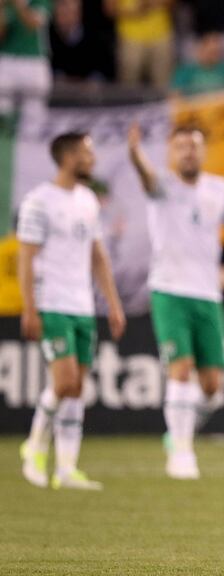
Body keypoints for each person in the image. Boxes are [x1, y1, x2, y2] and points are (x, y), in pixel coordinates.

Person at [127, 123, 224, 480]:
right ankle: (181, 452)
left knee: (213, 387)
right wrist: (135, 153)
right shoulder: (162, 185)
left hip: (207, 295)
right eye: (180, 146)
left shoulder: (219, 189)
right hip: (169, 291)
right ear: (171, 152)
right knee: (180, 370)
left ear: (203, 150)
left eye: (194, 145)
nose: (188, 152)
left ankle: (179, 430)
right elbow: (146, 176)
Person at [17, 132, 126, 491]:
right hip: (52, 303)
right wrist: (30, 308)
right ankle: (33, 448)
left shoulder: (88, 200)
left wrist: (112, 302)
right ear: (67, 157)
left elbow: (97, 255)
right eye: (86, 153)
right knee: (63, 382)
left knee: (77, 387)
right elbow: (26, 257)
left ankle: (66, 468)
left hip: (83, 305)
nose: (92, 160)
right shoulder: (39, 201)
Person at [103, 0, 174, 89]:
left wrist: (153, 3)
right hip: (130, 38)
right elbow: (109, 9)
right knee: (128, 87)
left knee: (164, 85)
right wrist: (133, 12)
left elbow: (173, 3)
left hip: (161, 35)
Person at [0, 0, 52, 115]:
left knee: (34, 114)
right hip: (7, 60)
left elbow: (33, 24)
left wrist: (17, 4)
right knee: (3, 112)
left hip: (34, 61)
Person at [171, 32, 224, 96]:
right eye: (212, 52)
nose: (216, 48)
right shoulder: (186, 70)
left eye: (217, 52)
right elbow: (175, 94)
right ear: (201, 48)